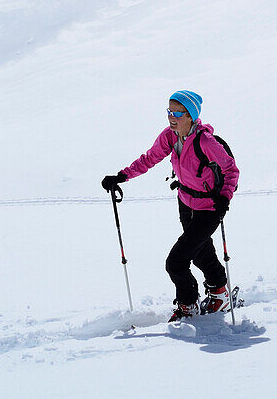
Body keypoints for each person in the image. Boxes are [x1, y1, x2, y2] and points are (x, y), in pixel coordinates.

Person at [101, 89, 239, 320]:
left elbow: (230, 169)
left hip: (210, 207)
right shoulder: (170, 136)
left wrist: (225, 197)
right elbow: (149, 158)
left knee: (176, 262)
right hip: (186, 201)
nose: (172, 117)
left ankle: (188, 306)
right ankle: (219, 294)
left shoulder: (205, 141)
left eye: (178, 113)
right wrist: (121, 176)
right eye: (169, 112)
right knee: (199, 251)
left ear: (191, 115)